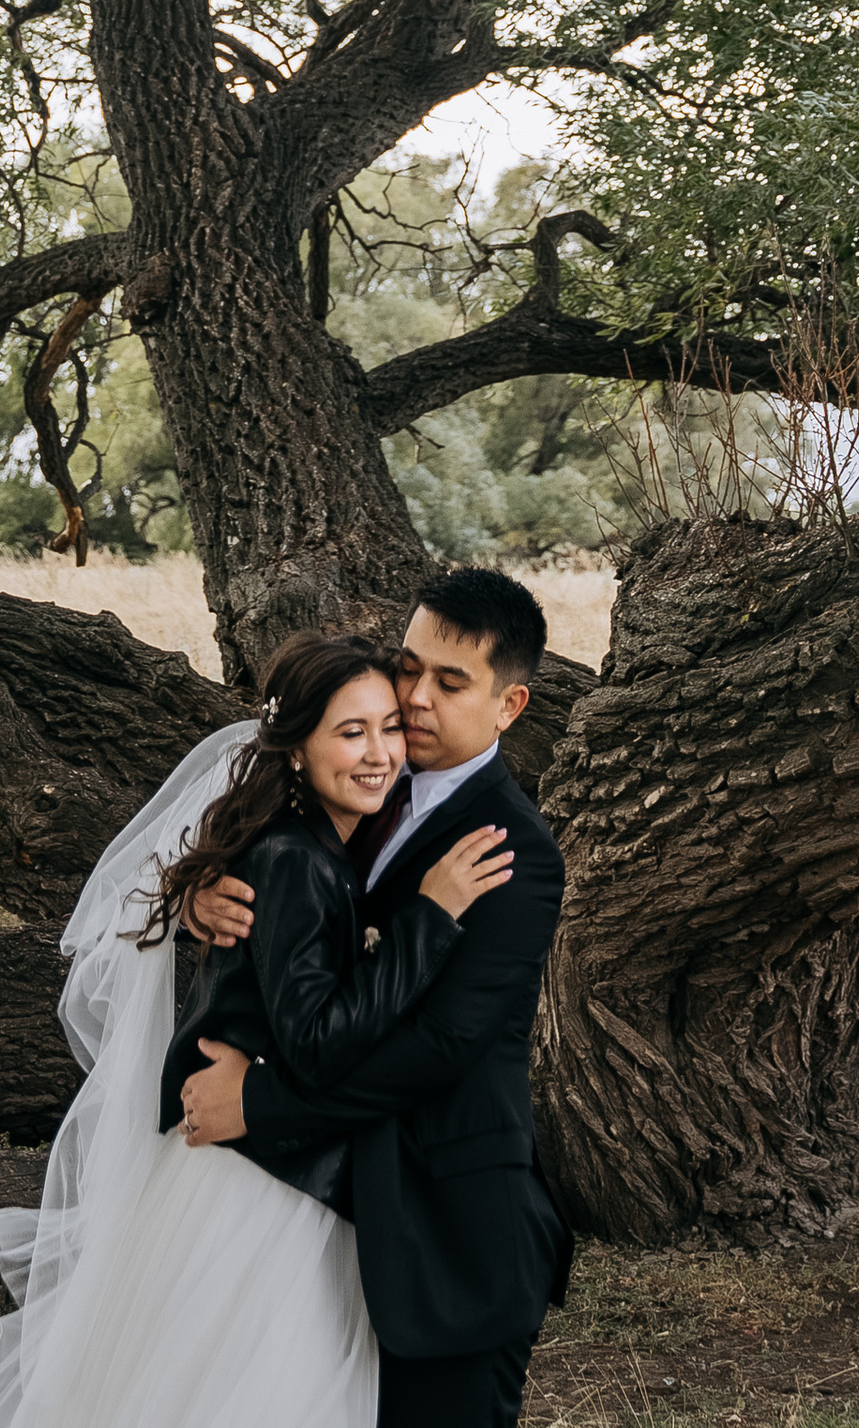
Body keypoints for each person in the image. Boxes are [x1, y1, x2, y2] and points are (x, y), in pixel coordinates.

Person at [0, 627, 513, 1428]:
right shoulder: (298, 860)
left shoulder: (327, 836)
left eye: (389, 728)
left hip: (248, 1166)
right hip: (262, 1188)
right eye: (351, 732)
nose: (380, 753)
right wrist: (429, 920)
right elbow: (319, 1042)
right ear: (296, 750)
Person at [179, 566, 571, 1428]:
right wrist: (204, 900)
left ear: (508, 707)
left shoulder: (514, 853)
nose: (415, 698)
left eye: (451, 683)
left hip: (446, 1233)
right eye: (409, 667)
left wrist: (261, 1104)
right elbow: (291, 914)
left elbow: (442, 1047)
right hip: (317, 1221)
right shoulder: (352, 781)